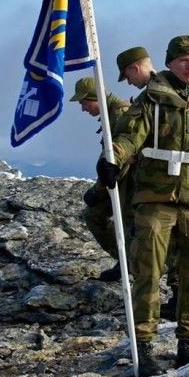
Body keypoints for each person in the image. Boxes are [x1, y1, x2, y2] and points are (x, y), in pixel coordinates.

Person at [97, 35, 189, 375]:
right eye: (184, 60)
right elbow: (130, 136)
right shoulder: (152, 98)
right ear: (170, 62)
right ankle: (144, 346)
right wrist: (112, 159)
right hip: (156, 198)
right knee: (148, 273)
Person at [116, 46, 180, 321]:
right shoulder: (170, 88)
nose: (129, 82)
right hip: (181, 183)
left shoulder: (154, 95)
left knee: (168, 246)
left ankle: (173, 303)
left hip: (164, 184)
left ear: (135, 68)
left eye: (128, 76)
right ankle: (178, 299)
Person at [70, 76, 132, 281]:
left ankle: (130, 263)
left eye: (84, 102)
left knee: (108, 218)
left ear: (95, 97)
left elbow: (120, 158)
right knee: (94, 215)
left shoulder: (120, 114)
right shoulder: (112, 113)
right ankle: (125, 261)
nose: (83, 108)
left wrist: (98, 190)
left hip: (128, 181)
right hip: (118, 180)